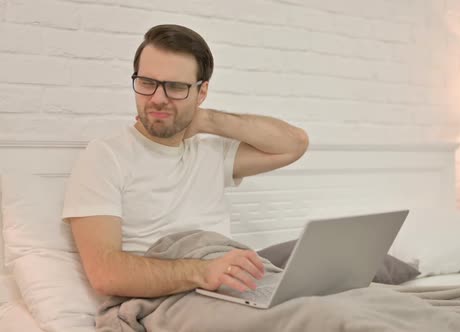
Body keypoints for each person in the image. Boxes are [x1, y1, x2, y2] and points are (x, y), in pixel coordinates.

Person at [61, 24, 309, 299]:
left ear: (201, 93)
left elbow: (293, 145)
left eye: (176, 87)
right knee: (325, 314)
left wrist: (206, 119)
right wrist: (204, 272)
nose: (157, 99)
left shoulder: (209, 152)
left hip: (224, 275)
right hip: (175, 296)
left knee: (334, 271)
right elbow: (105, 274)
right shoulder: (105, 156)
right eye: (147, 83)